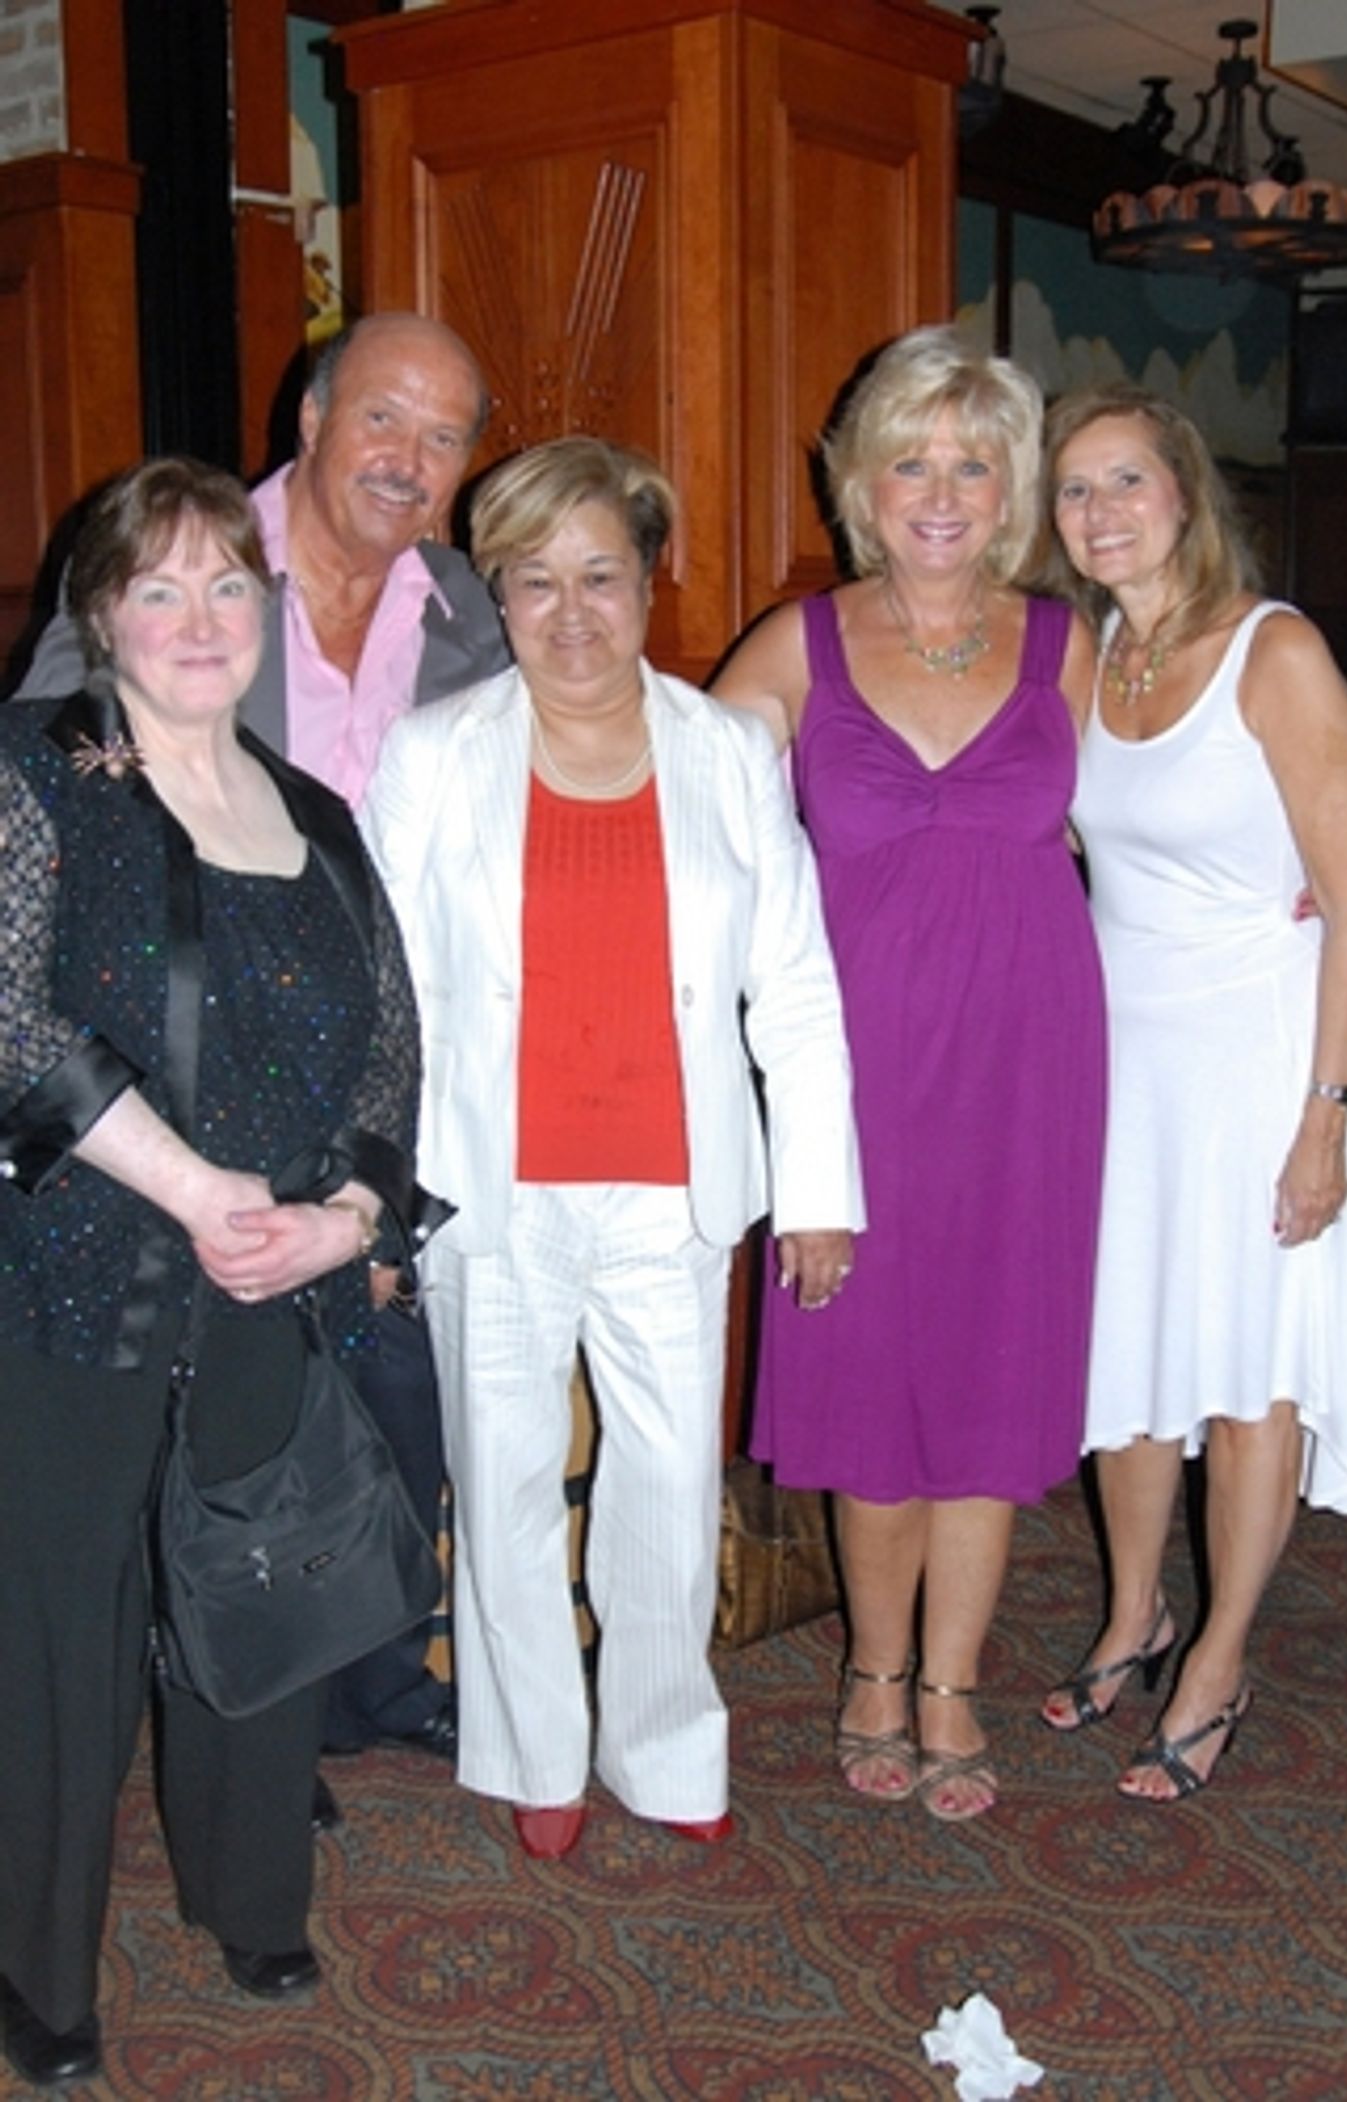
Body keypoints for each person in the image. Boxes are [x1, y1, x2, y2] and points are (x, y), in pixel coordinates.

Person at [17, 312, 509, 1777]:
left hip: (351, 1087)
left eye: (443, 436)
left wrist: (367, 1180)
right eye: (382, 419)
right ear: (310, 416)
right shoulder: (187, 560)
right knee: (128, 1506)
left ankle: (333, 1707)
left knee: (363, 1432)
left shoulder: (468, 613)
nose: (408, 459)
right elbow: (55, 792)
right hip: (150, 1111)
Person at [362, 435, 863, 1861]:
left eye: (600, 575)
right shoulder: (433, 754)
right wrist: (379, 1199)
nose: (570, 611)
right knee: (504, 1479)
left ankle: (664, 1743)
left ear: (650, 581)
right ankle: (534, 1752)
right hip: (488, 1185)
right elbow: (382, 995)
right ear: (497, 597)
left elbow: (795, 980)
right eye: (534, 581)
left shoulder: (726, 752)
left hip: (673, 1186)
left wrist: (819, 1189)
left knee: (666, 1484)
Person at [0, 458, 427, 2088]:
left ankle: (250, 1891)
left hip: (267, 1274)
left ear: (266, 611)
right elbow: (8, 1019)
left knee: (260, 1582)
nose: (198, 618)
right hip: (72, 1276)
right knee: (60, 1630)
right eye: (159, 587)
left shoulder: (312, 815)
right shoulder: (37, 775)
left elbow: (392, 1050)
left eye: (228, 585)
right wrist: (192, 1189)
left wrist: (349, 1217)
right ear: (101, 613)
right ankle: (36, 1964)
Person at [711, 327, 1107, 1822]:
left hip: (1030, 1065)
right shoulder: (794, 645)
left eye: (975, 464)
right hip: (856, 1070)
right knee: (869, 1366)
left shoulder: (1067, 646)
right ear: (862, 485)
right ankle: (875, 1668)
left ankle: (952, 1680)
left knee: (997, 1368)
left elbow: (1170, 806)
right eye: (912, 462)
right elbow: (680, 809)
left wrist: (1300, 889)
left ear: (1011, 490)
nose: (942, 493)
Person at [1038, 381, 1347, 1800]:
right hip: (1125, 1057)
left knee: (1246, 1373)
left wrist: (1325, 1117)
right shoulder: (1082, 656)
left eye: (1127, 479)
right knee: (1126, 1357)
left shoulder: (1272, 650)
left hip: (1260, 1061)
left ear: (1185, 492)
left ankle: (1220, 1655)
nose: (1100, 510)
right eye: (1074, 489)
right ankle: (1136, 1613)